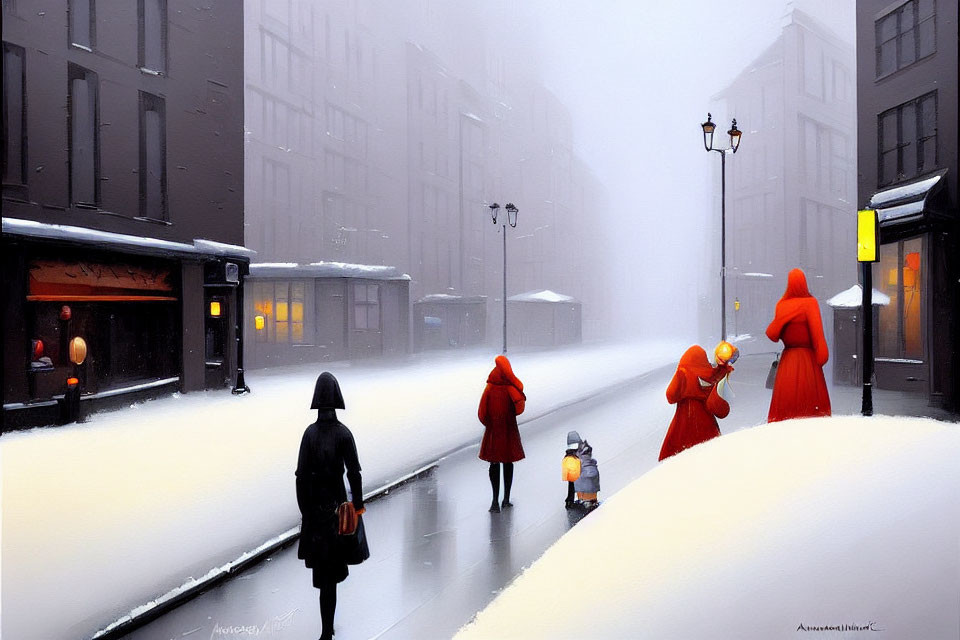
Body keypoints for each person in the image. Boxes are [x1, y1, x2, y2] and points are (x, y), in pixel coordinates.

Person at [296, 372, 364, 640]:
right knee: (332, 577)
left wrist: (306, 511)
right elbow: (354, 473)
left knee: (323, 574)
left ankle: (325, 630)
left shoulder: (309, 434)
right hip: (337, 509)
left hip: (315, 510)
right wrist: (357, 506)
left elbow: (301, 476)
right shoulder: (343, 434)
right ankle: (327, 628)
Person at [765, 268, 831, 422]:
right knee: (810, 408)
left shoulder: (781, 305)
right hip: (808, 361)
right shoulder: (810, 303)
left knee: (785, 407)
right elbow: (818, 335)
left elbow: (772, 335)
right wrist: (822, 356)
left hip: (787, 361)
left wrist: (784, 318)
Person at [659, 345, 731, 461]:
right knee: (708, 454)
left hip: (684, 420)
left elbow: (670, 396)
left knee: (680, 457)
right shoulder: (710, 375)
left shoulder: (683, 372)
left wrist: (680, 377)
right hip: (706, 420)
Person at [477, 355, 526, 512]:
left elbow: (481, 413)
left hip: (493, 432)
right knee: (508, 463)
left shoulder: (489, 389)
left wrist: (491, 424)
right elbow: (520, 408)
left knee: (494, 464)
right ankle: (506, 498)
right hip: (508, 430)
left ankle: (494, 501)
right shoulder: (510, 388)